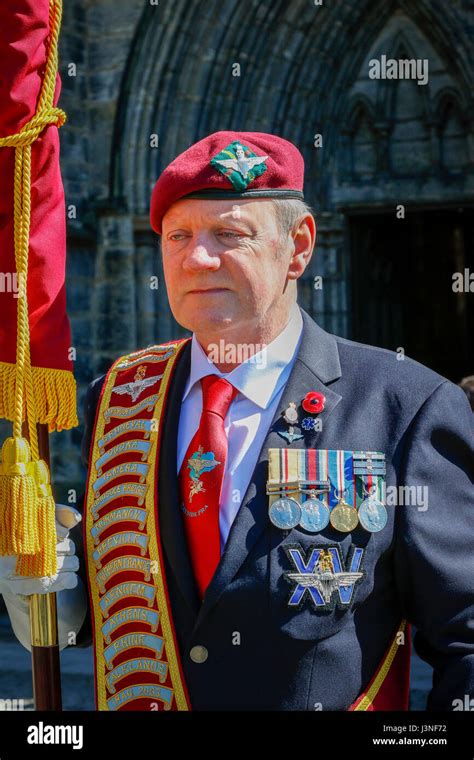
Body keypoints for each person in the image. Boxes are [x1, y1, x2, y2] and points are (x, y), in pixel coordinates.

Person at [1, 131, 473, 711]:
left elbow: (466, 638)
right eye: (179, 236)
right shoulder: (120, 399)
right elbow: (138, 620)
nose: (198, 259)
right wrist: (62, 611)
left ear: (297, 248)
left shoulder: (403, 404)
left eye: (230, 234)